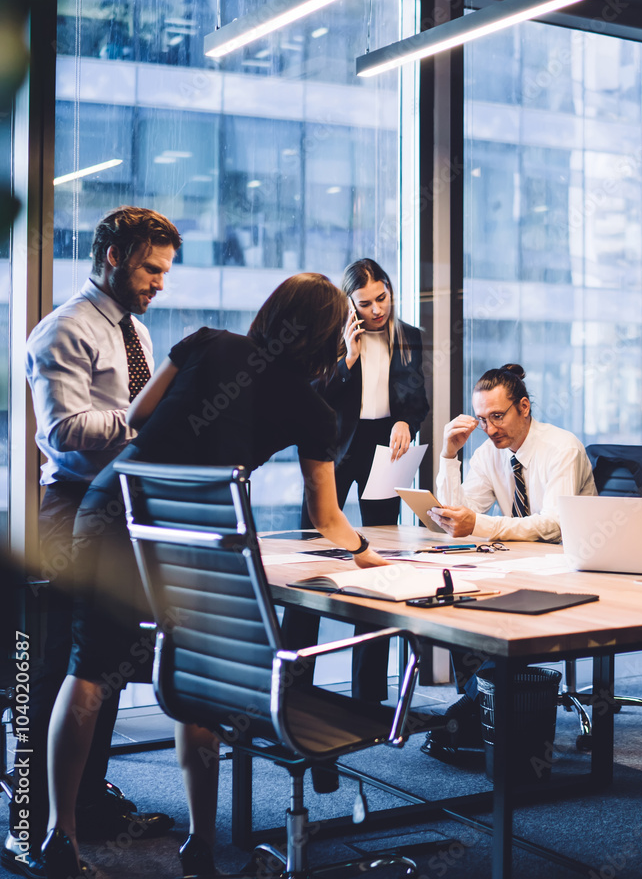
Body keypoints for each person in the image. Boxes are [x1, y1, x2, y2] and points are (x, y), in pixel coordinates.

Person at [39, 273, 391, 879]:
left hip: (116, 503)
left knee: (88, 668)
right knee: (195, 676)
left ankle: (57, 836)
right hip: (202, 527)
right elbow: (326, 516)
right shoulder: (314, 408)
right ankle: (199, 845)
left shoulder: (208, 341)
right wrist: (365, 551)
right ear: (330, 335)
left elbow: (138, 416)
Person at [3, 207, 181, 879]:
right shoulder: (63, 329)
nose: (159, 283)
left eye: (164, 271)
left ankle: (84, 803)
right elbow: (62, 432)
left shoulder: (136, 330)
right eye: (150, 268)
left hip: (122, 509)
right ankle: (28, 826)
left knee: (102, 664)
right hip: (73, 509)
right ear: (113, 256)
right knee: (56, 670)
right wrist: (146, 420)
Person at [420, 363, 597, 764]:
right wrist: (449, 455)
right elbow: (458, 517)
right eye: (482, 419)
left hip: (572, 568)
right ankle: (480, 715)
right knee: (462, 602)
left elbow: (554, 525)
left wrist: (479, 524)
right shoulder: (489, 454)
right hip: (524, 565)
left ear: (524, 407)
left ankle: (465, 716)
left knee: (497, 618)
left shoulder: (562, 449)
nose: (489, 428)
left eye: (497, 416)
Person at [296, 258, 429, 702]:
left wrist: (407, 422)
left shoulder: (410, 337)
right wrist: (347, 361)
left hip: (384, 451)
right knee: (311, 562)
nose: (376, 311)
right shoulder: (329, 336)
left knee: (379, 561)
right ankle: (294, 686)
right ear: (349, 304)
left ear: (390, 291)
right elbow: (310, 398)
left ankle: (368, 694)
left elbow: (418, 401)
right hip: (333, 450)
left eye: (382, 299)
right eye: (365, 304)